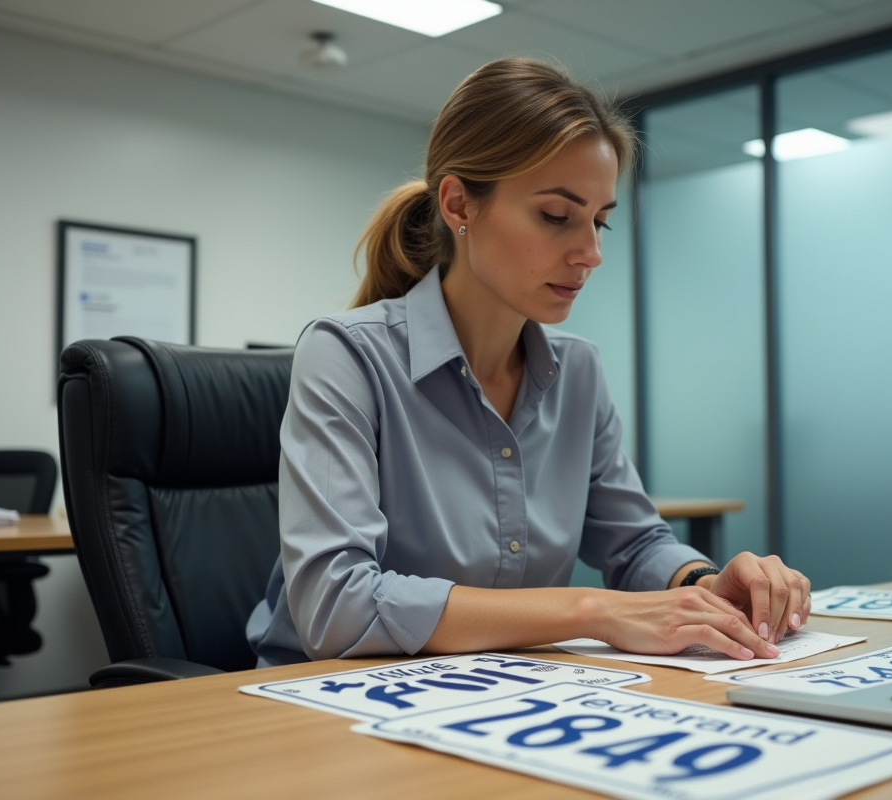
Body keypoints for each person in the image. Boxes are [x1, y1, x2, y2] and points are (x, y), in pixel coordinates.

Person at [247, 58, 810, 668]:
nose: (591, 254)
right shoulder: (346, 355)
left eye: (599, 222)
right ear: (459, 204)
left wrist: (704, 582)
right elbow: (337, 607)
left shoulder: (579, 372)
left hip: (502, 695)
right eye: (556, 216)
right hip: (323, 708)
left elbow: (635, 542)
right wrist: (594, 612)